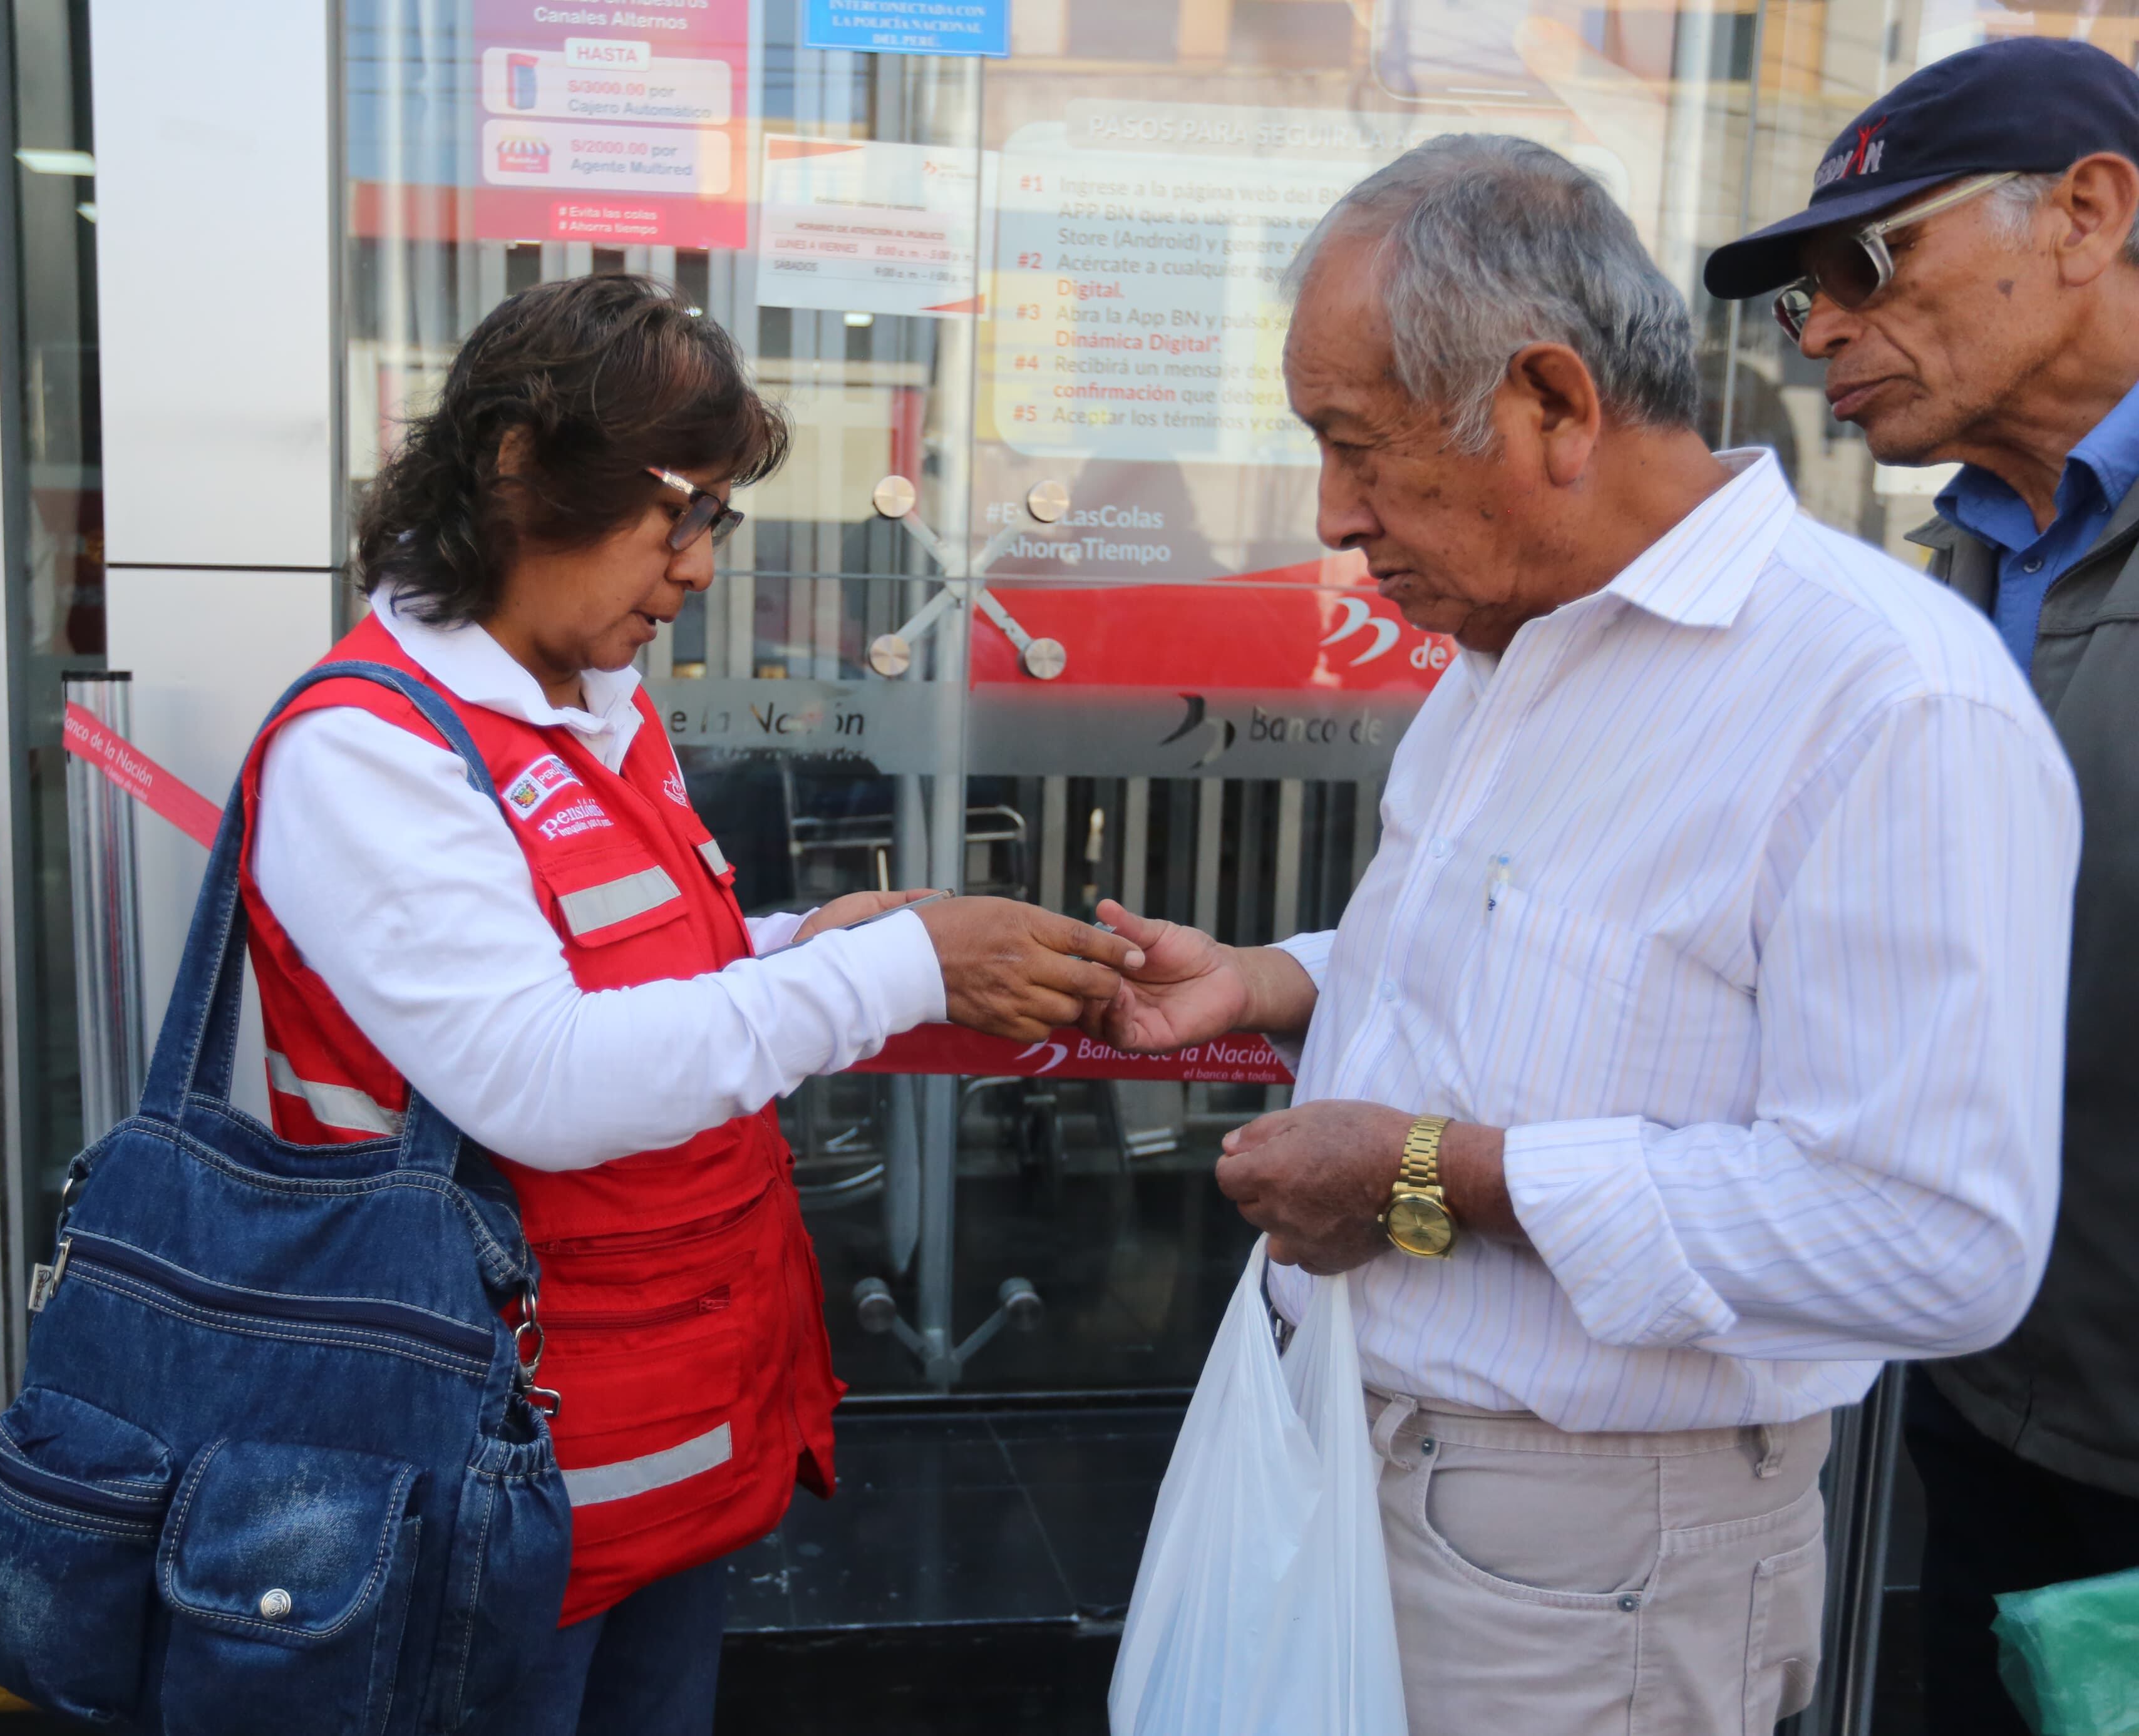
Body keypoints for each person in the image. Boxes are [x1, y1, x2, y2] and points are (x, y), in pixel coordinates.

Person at [1085, 136, 2076, 1735]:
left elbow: (1934, 1236)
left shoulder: (1888, 698)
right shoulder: (1515, 643)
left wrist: (1430, 1175)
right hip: (1358, 1455)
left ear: (1550, 404)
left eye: (1356, 447)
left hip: (1588, 1561)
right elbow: (1563, 969)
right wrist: (1275, 978)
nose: (1333, 516)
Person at [241, 272, 1137, 1735]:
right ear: (521, 464)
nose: (703, 564)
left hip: (651, 1439)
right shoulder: (371, 751)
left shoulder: (597, 702)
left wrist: (814, 938)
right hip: (488, 1469)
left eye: (718, 517)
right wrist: (899, 970)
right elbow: (539, 1075)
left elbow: (639, 981)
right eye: (685, 509)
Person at [1702, 38, 2139, 1733]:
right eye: (1803, 287)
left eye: (1869, 264)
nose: (1817, 328)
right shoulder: (1953, 567)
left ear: (2092, 214)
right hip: (1990, 1396)